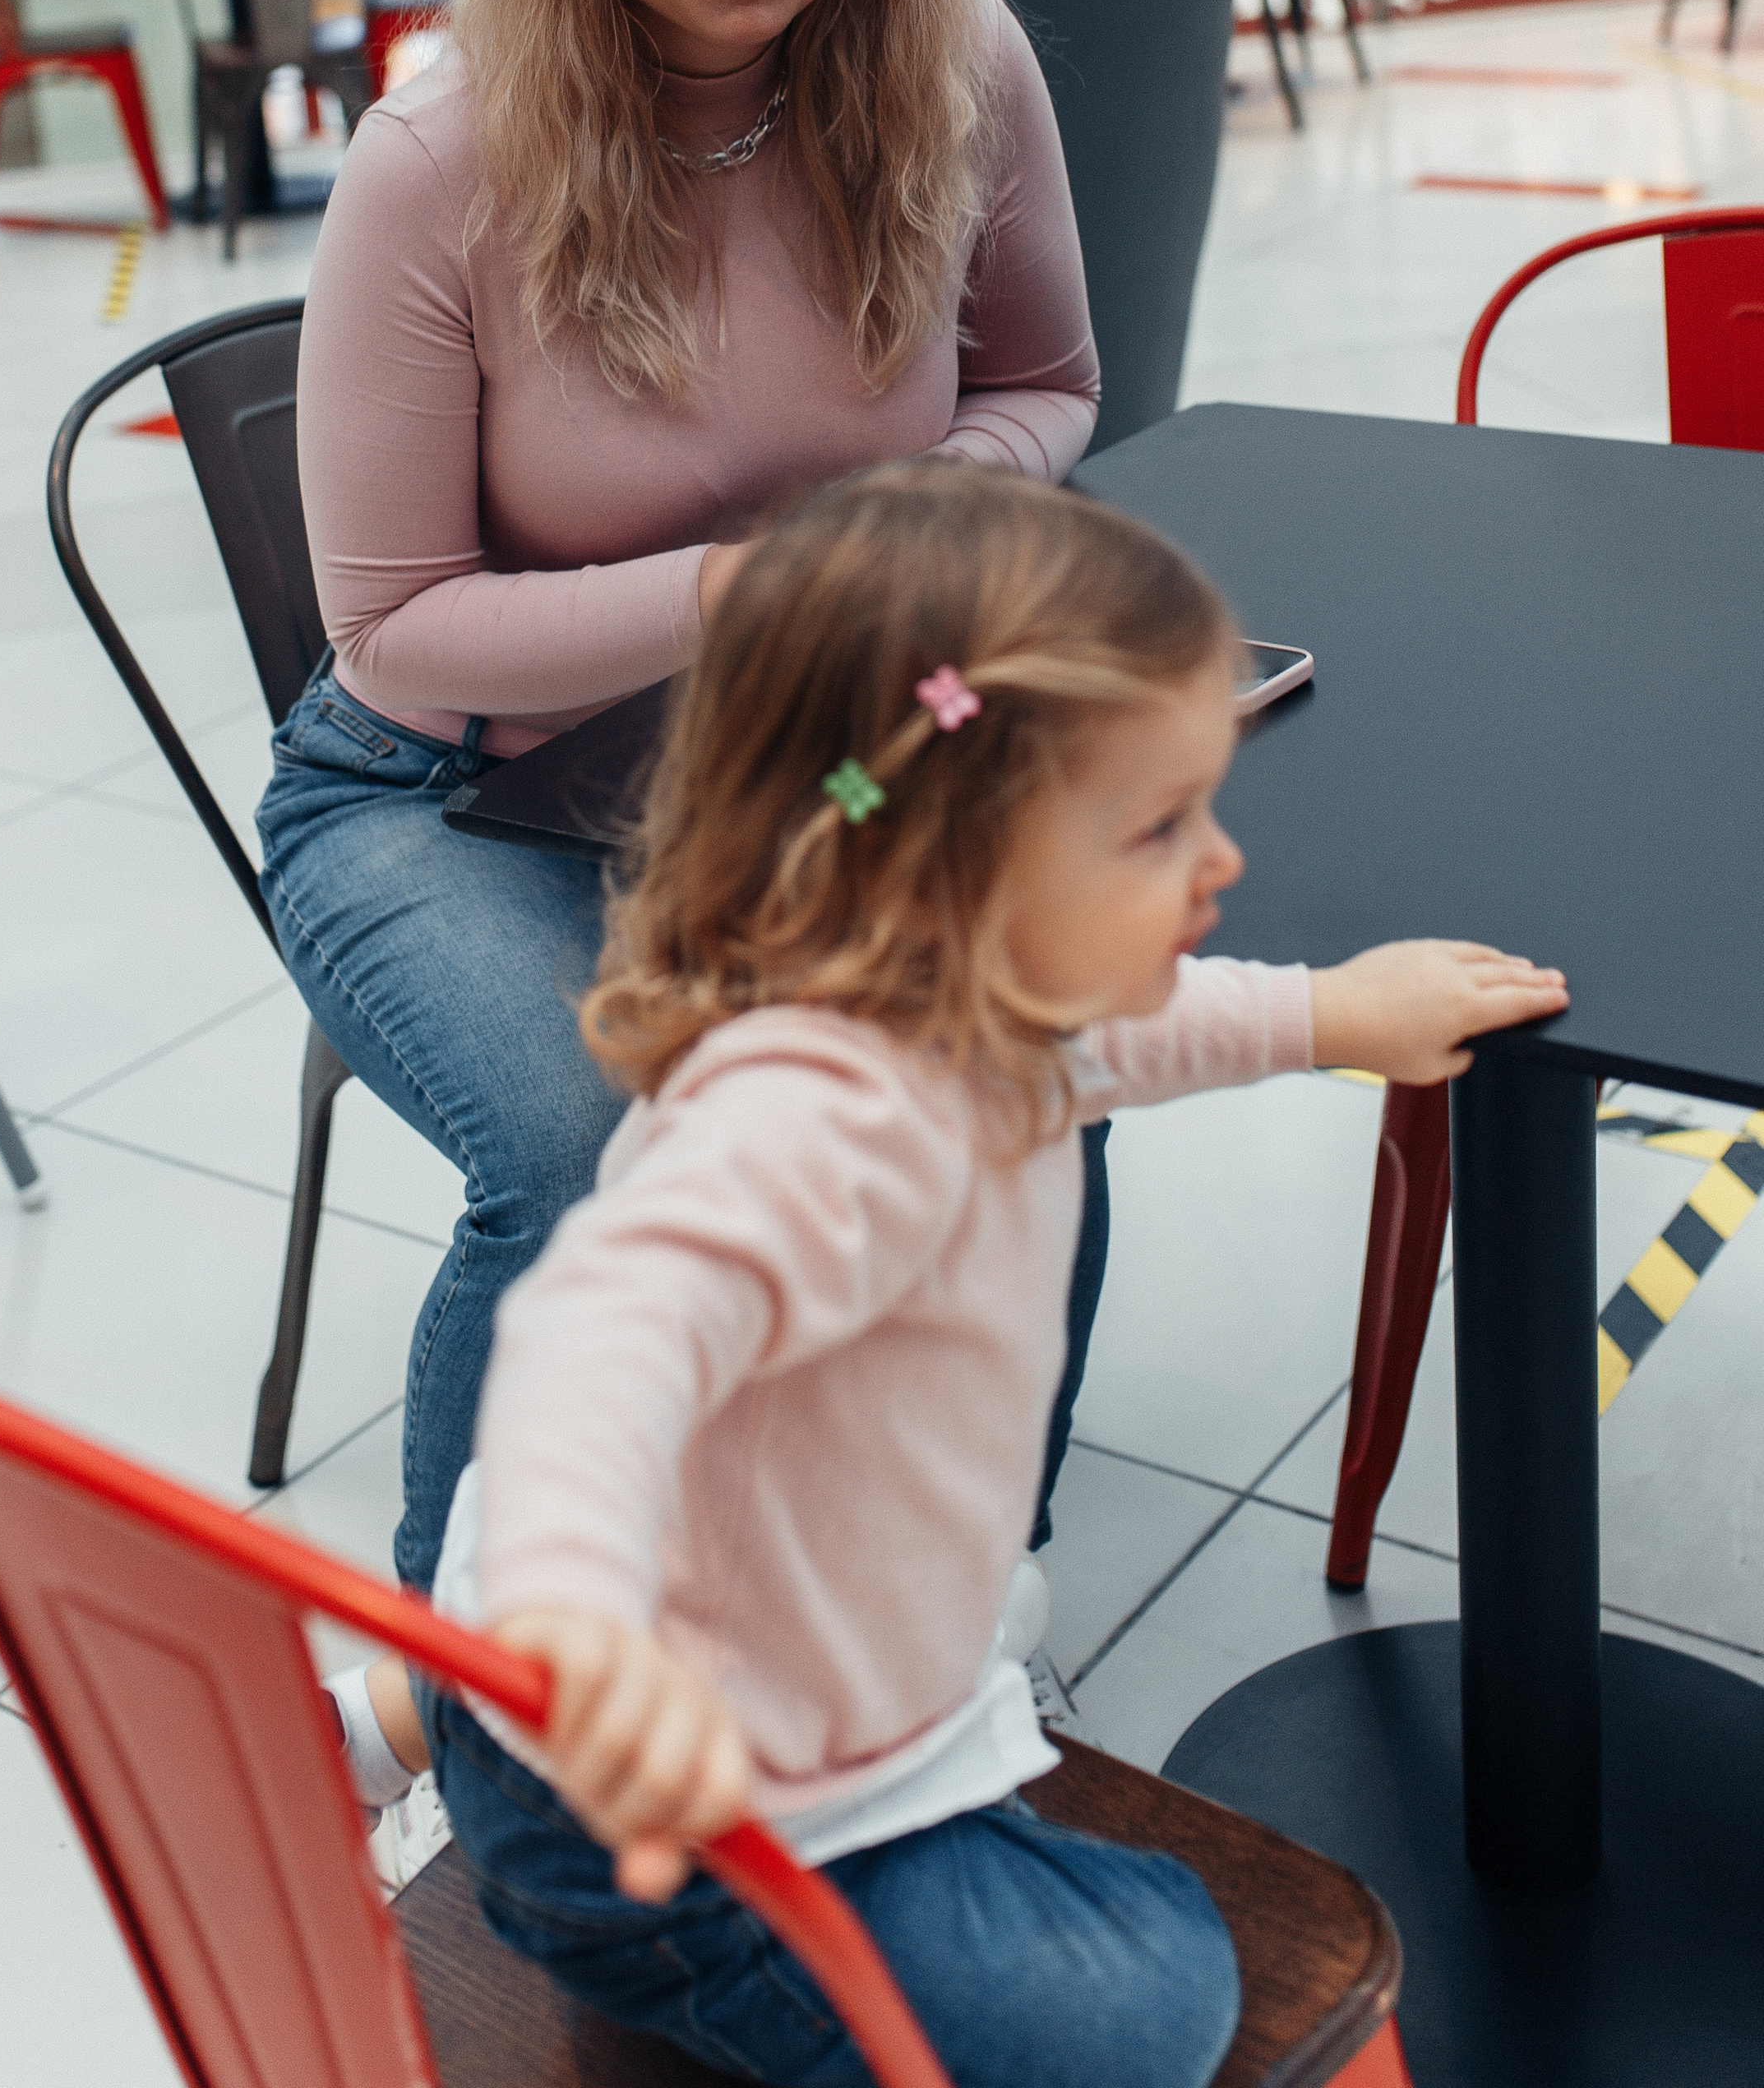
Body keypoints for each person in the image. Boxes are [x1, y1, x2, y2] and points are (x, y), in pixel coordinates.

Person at [411, 459, 1568, 2087]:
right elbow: (603, 1338)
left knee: (1028, 1746)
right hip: (674, 1835)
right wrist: (570, 1625)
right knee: (1150, 2007)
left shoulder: (963, 1001)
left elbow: (1124, 1035)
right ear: (951, 865)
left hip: (720, 1679)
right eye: (1159, 826)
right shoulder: (817, 1121)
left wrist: (1324, 1013)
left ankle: (428, 1697)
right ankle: (469, 1711)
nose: (1217, 862)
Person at [258, 0, 1103, 1769]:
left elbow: (1050, 389)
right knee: (586, 1150)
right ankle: (474, 1721)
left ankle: (925, 1628)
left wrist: (895, 561)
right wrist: (768, 582)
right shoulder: (447, 160)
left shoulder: (957, 64)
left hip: (817, 763)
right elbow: (396, 627)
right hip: (444, 786)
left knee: (1011, 1091)